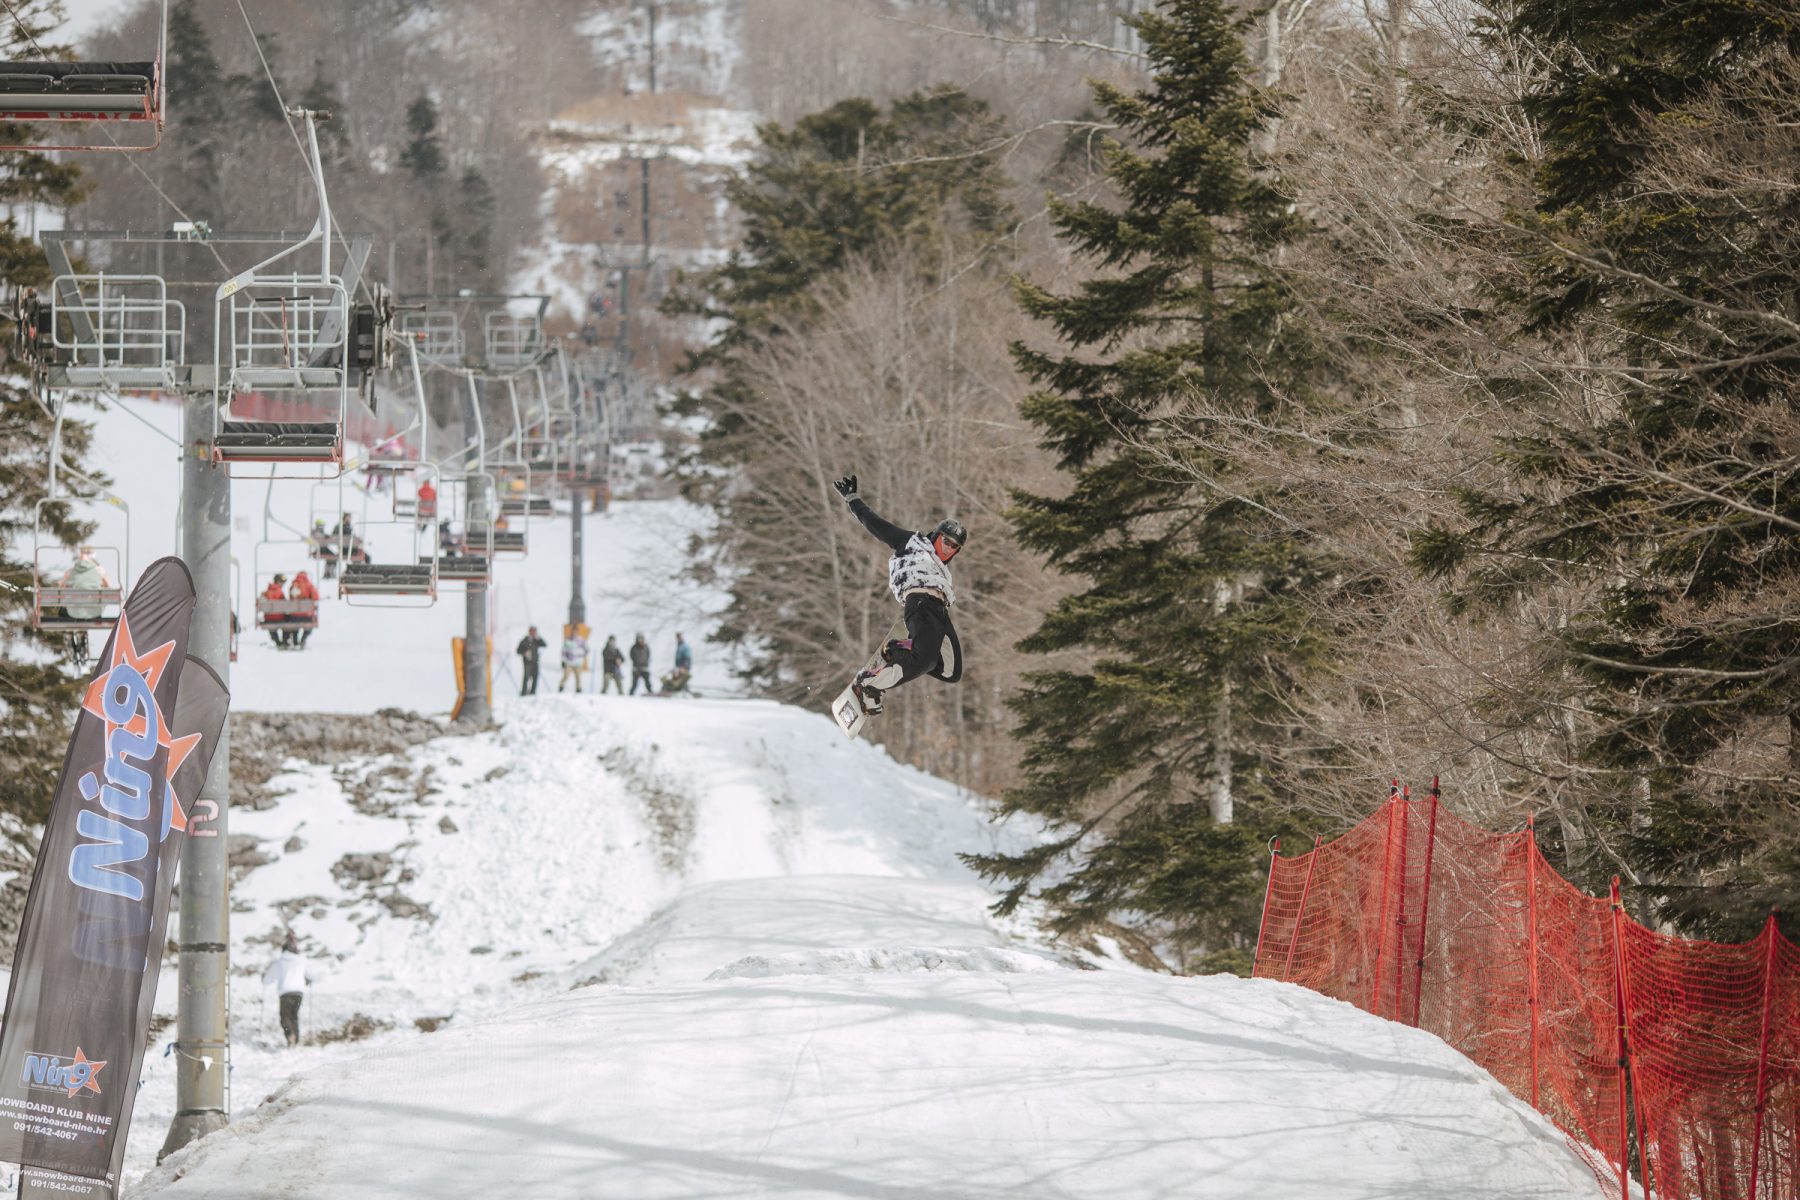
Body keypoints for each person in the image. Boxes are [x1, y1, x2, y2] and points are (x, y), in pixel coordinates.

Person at [833, 474, 965, 714]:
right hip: (921, 603)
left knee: (950, 671)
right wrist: (853, 499)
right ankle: (869, 685)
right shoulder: (912, 543)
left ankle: (898, 649)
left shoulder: (941, 569)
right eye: (946, 541)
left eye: (955, 547)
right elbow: (877, 525)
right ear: (936, 535)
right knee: (924, 660)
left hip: (939, 610)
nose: (949, 549)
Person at [262, 932, 313, 1048]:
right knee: (294, 1016)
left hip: (286, 992)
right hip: (299, 993)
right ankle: (296, 1039)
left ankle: (290, 1036)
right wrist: (307, 981)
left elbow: (267, 980)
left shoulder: (280, 962)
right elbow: (310, 976)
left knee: (285, 1017)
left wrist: (263, 978)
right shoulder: (301, 960)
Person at [60, 546, 115, 621]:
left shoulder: (70, 571)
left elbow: (61, 589)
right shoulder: (99, 570)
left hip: (73, 613)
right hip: (94, 613)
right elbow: (109, 589)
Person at [288, 571, 319, 649]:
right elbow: (316, 597)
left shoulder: (293, 585)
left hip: (294, 616)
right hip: (307, 616)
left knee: (294, 627)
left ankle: (295, 642)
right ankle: (303, 640)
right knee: (309, 626)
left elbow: (290, 598)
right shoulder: (309, 585)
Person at [517, 625, 547, 696]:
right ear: (529, 632)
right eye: (532, 631)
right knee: (526, 677)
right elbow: (518, 650)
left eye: (535, 631)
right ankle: (524, 692)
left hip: (535, 662)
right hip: (527, 662)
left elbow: (544, 644)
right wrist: (524, 652)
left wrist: (539, 639)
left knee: (535, 677)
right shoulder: (525, 640)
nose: (533, 633)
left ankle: (532, 692)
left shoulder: (536, 640)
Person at [262, 574, 290, 647]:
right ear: (278, 582)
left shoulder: (266, 592)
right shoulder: (279, 592)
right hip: (280, 618)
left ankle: (277, 641)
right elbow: (285, 605)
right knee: (288, 621)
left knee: (271, 623)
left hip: (268, 618)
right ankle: (285, 641)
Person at [558, 628, 589, 693]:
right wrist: (563, 660)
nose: (574, 633)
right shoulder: (568, 640)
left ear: (577, 632)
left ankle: (578, 689)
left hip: (578, 662)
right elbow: (564, 651)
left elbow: (587, 649)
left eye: (576, 632)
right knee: (566, 676)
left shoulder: (581, 640)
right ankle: (561, 687)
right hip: (569, 662)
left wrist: (582, 654)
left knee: (578, 677)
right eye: (573, 632)